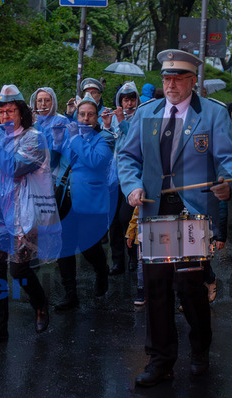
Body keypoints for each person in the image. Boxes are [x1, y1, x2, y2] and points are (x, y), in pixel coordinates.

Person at [117, 49, 232, 386]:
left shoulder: (213, 114)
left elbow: (230, 159)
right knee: (156, 287)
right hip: (154, 210)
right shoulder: (147, 113)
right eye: (166, 78)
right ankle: (160, 360)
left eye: (178, 78)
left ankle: (200, 350)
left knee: (189, 287)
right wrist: (131, 186)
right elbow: (127, 157)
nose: (171, 84)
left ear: (192, 80)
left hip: (193, 213)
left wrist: (228, 182)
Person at [0, 84, 51, 346]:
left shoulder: (34, 138)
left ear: (22, 112)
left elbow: (14, 167)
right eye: (1, 112)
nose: (4, 116)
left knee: (18, 269)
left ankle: (40, 303)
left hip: (21, 214)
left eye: (10, 111)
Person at [52, 93, 114, 311]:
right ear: (76, 116)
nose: (86, 119)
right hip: (66, 199)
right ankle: (70, 293)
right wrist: (57, 142)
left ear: (97, 117)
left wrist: (75, 139)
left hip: (91, 202)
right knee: (65, 247)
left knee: (89, 246)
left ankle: (101, 270)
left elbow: (96, 161)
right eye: (82, 114)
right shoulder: (70, 135)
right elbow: (53, 163)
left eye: (90, 115)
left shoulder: (104, 138)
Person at [104, 81, 141, 275]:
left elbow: (136, 141)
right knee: (113, 222)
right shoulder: (115, 119)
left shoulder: (140, 118)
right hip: (113, 178)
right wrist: (107, 126)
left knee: (127, 218)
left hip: (131, 178)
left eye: (132, 99)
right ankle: (117, 262)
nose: (129, 103)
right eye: (125, 100)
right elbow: (108, 145)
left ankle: (134, 256)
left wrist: (122, 122)